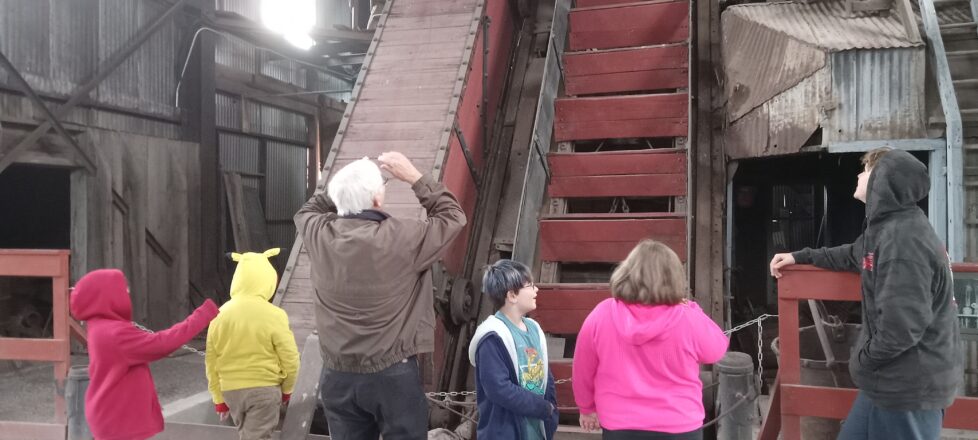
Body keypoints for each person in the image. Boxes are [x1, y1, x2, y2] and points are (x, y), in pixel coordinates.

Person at [769, 148, 962, 440]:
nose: (859, 174)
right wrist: (800, 256)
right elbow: (854, 254)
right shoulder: (887, 229)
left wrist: (860, 361)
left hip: (908, 390)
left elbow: (901, 331)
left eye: (867, 170)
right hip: (885, 381)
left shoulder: (903, 242)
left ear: (883, 181)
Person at [294, 152, 466, 439]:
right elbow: (453, 216)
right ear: (376, 199)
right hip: (392, 375)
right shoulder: (404, 238)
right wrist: (413, 176)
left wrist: (346, 181)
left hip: (338, 375)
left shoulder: (318, 234)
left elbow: (306, 210)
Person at [572, 240, 728, 439]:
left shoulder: (602, 313)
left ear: (627, 272)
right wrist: (692, 308)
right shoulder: (686, 317)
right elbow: (716, 350)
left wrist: (586, 408)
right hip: (679, 424)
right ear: (673, 278)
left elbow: (582, 369)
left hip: (620, 424)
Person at [69, 269, 218, 440]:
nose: (128, 292)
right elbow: (161, 344)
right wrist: (203, 314)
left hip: (111, 417)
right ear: (107, 295)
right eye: (123, 288)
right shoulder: (114, 333)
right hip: (119, 421)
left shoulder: (99, 325)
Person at [205, 248, 300, 440]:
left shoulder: (219, 314)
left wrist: (219, 400)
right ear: (268, 280)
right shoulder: (274, 315)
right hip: (264, 390)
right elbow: (290, 358)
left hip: (231, 391)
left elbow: (211, 362)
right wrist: (288, 389)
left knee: (247, 435)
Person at [468, 259, 559, 440]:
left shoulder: (534, 328)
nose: (536, 290)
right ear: (512, 296)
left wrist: (552, 412)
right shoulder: (492, 337)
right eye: (530, 286)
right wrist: (541, 407)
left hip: (537, 429)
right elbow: (499, 389)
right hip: (506, 431)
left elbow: (545, 373)